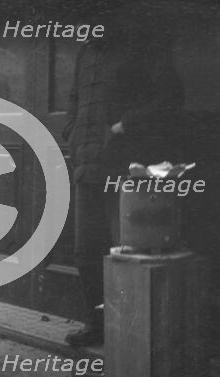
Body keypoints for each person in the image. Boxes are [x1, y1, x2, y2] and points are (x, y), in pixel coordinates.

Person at [62, 9, 184, 346]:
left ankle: (129, 338)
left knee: (128, 254)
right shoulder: (85, 52)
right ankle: (97, 327)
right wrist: (72, 132)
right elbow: (74, 100)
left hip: (125, 170)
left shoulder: (142, 44)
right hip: (86, 168)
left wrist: (123, 126)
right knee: (86, 253)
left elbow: (170, 99)